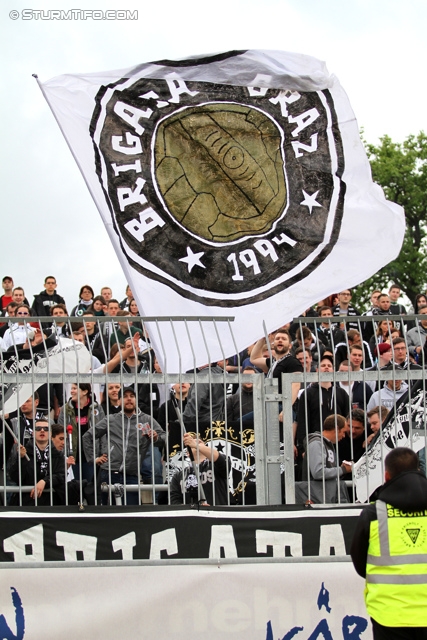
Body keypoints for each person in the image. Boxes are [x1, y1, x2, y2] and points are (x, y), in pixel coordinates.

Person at [351, 447, 427, 638]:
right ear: (419, 470)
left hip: (388, 613)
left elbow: (360, 561)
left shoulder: (374, 514)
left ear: (386, 476)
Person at [83, 386, 165, 505]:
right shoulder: (110, 419)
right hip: (108, 474)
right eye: (125, 396)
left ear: (136, 400)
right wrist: (94, 458)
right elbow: (87, 436)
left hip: (132, 475)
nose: (129, 399)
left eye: (132, 396)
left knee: (131, 514)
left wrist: (156, 437)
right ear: (119, 401)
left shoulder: (146, 419)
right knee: (107, 513)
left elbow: (164, 437)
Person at [9, 419, 65, 506]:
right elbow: (15, 478)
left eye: (46, 429)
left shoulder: (58, 455)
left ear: (50, 434)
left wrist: (44, 482)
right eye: (38, 428)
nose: (42, 431)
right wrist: (21, 459)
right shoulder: (23, 453)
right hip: (27, 502)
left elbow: (61, 476)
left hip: (52, 503)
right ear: (33, 433)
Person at [298, 414, 351, 504]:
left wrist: (341, 470)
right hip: (317, 499)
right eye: (343, 432)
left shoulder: (325, 444)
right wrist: (342, 470)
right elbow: (318, 472)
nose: (344, 436)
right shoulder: (316, 444)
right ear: (337, 429)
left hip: (324, 498)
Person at [57, 383, 105, 483]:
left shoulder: (97, 409)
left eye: (74, 388)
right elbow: (60, 434)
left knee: (90, 489)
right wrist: (63, 456)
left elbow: (103, 433)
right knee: (75, 489)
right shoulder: (65, 409)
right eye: (71, 388)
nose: (71, 391)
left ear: (85, 391)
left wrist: (102, 454)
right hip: (72, 458)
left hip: (92, 459)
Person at [170, 432, 229, 505]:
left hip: (217, 513)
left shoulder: (215, 466)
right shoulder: (178, 476)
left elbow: (220, 459)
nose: (196, 444)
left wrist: (195, 445)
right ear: (188, 453)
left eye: (200, 443)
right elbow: (175, 502)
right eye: (193, 443)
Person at [250, 328, 303, 401]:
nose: (280, 340)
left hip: (282, 405)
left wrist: (285, 410)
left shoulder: (293, 362)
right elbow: (254, 359)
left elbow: (295, 387)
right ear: (273, 343)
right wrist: (262, 339)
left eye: (284, 339)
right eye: (277, 338)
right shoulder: (273, 362)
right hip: (270, 404)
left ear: (290, 346)